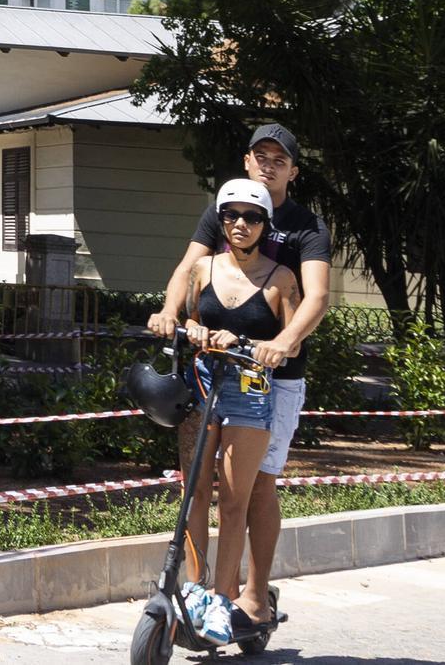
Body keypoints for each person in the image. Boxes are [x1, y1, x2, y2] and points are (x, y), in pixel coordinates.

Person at [148, 124, 332, 629]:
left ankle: (252, 595)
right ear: (248, 162)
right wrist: (170, 313)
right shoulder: (223, 209)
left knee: (256, 488)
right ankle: (197, 588)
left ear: (293, 170)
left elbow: (314, 298)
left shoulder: (305, 227)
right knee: (197, 487)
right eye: (261, 156)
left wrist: (284, 342)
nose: (269, 165)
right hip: (213, 368)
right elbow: (189, 269)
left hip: (275, 375)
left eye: (280, 159)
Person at [178, 177, 301, 644]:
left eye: (251, 217)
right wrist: (192, 329)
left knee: (233, 500)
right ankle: (192, 589)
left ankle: (222, 598)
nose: (239, 224)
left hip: (250, 391)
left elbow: (289, 344)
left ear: (265, 225)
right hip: (204, 381)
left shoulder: (280, 278)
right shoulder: (203, 268)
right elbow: (189, 315)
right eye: (230, 215)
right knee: (192, 490)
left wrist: (257, 345)